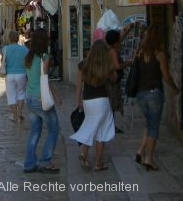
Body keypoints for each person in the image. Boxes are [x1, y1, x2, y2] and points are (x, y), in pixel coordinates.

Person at [133, 24, 179, 171]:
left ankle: (140, 151)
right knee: (154, 127)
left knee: (149, 122)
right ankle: (149, 159)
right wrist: (175, 88)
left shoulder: (139, 53)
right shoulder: (159, 54)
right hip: (154, 94)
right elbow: (166, 76)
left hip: (141, 95)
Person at [70, 40, 117, 171]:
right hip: (102, 101)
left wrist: (78, 102)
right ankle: (97, 162)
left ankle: (84, 153)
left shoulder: (83, 65)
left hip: (88, 101)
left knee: (90, 126)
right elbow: (114, 79)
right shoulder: (106, 66)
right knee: (101, 131)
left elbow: (79, 86)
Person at [23, 29, 62, 174]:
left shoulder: (28, 57)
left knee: (35, 131)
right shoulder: (44, 57)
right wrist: (56, 95)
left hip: (30, 97)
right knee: (53, 129)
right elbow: (45, 79)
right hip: (41, 99)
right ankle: (45, 161)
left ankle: (29, 163)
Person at [105, 23, 135, 132]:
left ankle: (110, 126)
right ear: (115, 41)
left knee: (112, 103)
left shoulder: (111, 47)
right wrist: (127, 63)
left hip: (112, 79)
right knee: (112, 102)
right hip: (112, 80)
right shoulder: (112, 51)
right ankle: (110, 127)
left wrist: (129, 28)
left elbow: (120, 38)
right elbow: (117, 65)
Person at [2, 30, 28, 122]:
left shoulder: (5, 49)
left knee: (11, 95)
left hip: (9, 74)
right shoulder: (24, 49)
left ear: (9, 38)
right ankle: (20, 112)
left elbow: (2, 61)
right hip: (21, 73)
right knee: (21, 93)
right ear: (18, 38)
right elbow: (27, 61)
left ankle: (15, 115)